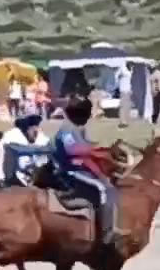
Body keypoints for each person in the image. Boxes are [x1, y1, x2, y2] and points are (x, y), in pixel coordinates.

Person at [52, 98, 122, 245]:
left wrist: (102, 149)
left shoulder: (79, 128)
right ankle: (107, 233)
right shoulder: (67, 130)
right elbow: (72, 150)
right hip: (69, 170)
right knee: (104, 189)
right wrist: (95, 151)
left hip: (81, 167)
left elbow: (86, 147)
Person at [0, 113, 51, 189]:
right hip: (2, 178)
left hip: (17, 176)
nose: (37, 133)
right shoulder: (13, 136)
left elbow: (43, 143)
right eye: (35, 131)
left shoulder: (31, 136)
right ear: (28, 128)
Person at [116, 62, 135, 128]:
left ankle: (126, 121)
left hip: (129, 90)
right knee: (124, 106)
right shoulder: (123, 69)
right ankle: (123, 121)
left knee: (127, 106)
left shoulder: (130, 71)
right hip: (124, 90)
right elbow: (117, 76)